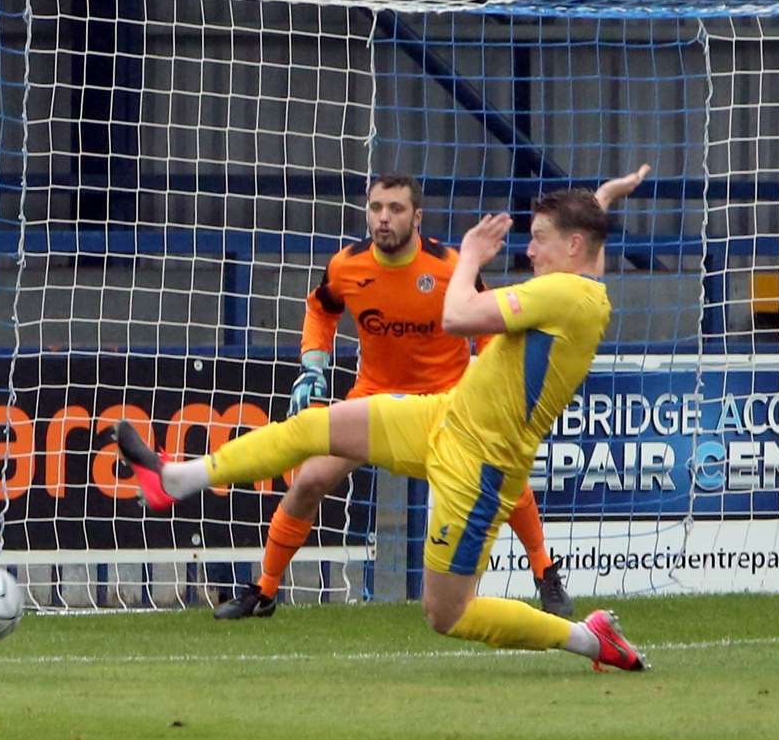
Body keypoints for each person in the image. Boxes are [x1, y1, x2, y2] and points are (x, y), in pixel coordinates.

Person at [119, 167, 654, 671]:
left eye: (539, 238)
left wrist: (469, 254)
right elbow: (585, 251)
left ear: (575, 245)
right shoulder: (584, 285)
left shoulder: (561, 293)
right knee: (313, 430)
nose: (529, 249)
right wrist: (603, 200)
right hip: (443, 417)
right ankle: (176, 479)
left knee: (448, 615)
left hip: (479, 463)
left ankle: (589, 638)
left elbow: (457, 316)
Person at [215, 174, 572, 620]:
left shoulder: (449, 267)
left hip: (449, 404)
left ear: (417, 217)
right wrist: (313, 364)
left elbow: (488, 325)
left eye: (396, 209)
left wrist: (492, 380)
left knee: (506, 479)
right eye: (376, 208)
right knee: (308, 480)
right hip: (374, 398)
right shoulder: (347, 265)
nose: (383, 219)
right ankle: (264, 591)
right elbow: (320, 310)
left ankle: (545, 573)